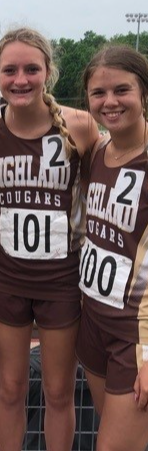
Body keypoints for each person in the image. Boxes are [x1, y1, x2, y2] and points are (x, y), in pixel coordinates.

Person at [0, 28, 99, 450]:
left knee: (59, 393)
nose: (21, 79)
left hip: (62, 282)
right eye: (10, 70)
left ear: (49, 72)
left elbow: (95, 194)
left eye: (32, 69)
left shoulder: (80, 126)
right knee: (9, 391)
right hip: (8, 279)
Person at [76, 45, 148, 451]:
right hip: (94, 319)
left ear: (143, 93)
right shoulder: (98, 151)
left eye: (122, 90)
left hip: (135, 333)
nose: (110, 102)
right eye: (98, 93)